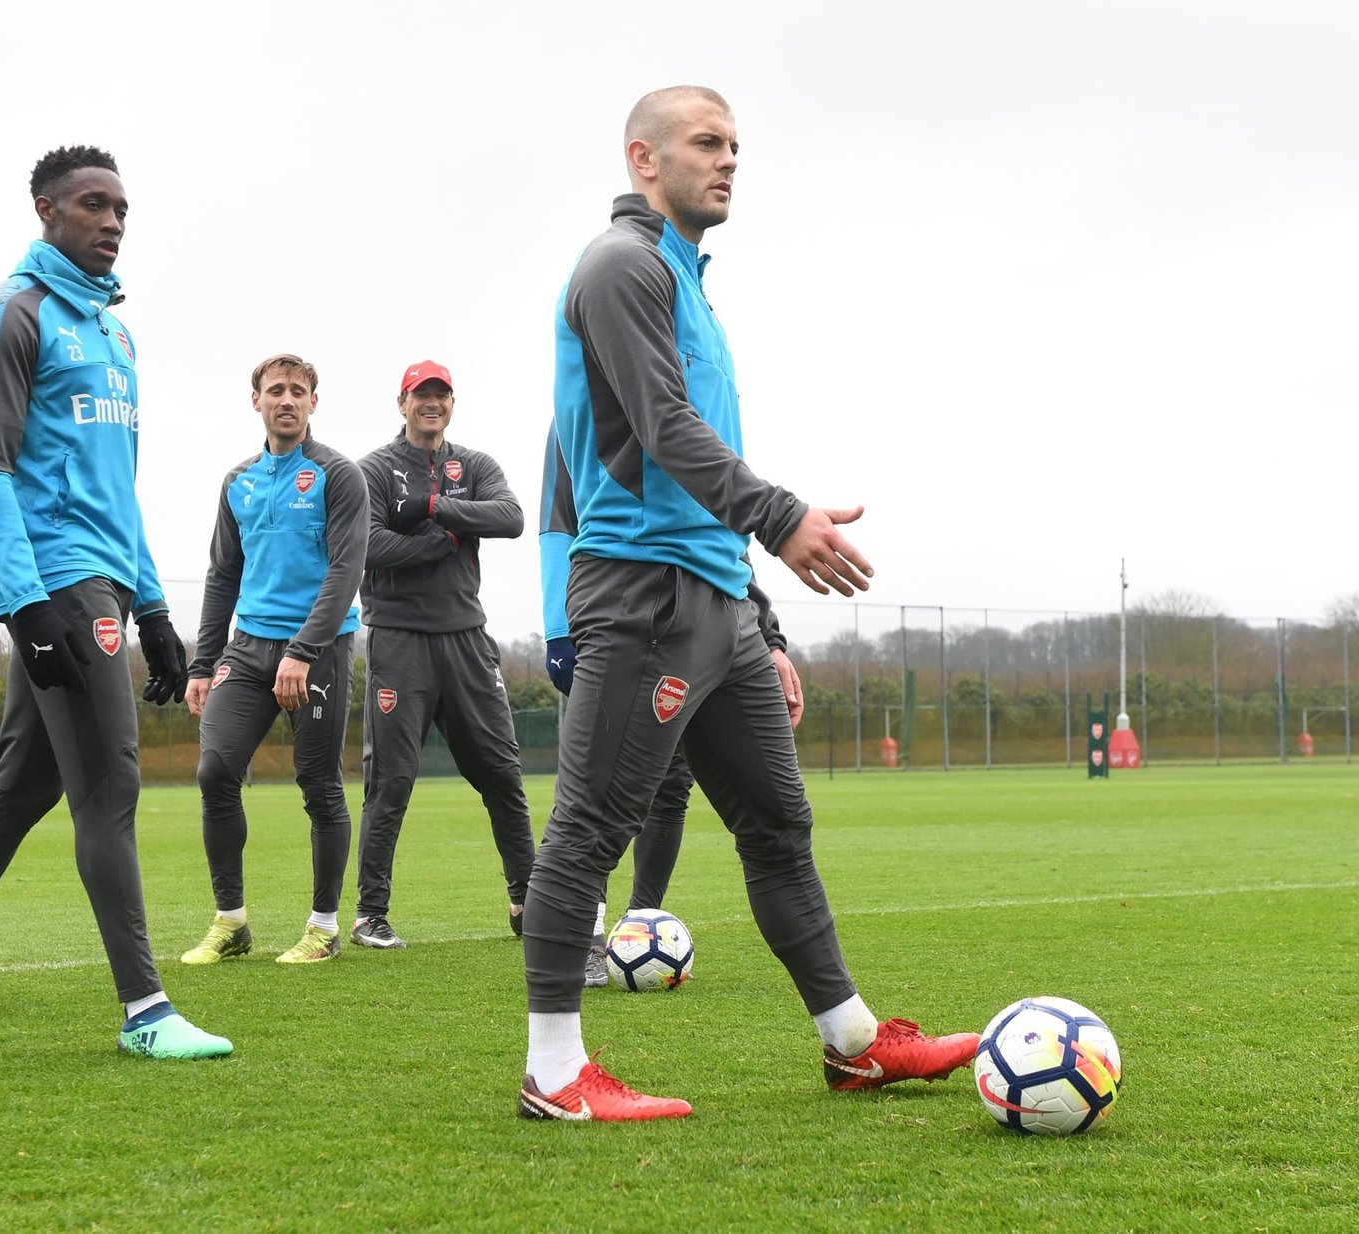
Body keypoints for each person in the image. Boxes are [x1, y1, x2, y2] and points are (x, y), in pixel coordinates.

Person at [518, 87, 978, 1121]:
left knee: (778, 826)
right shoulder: (621, 266)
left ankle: (852, 1044)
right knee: (589, 827)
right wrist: (779, 517)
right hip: (641, 594)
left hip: (715, 602)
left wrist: (756, 619)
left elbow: (696, 464)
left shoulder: (686, 280)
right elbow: (664, 426)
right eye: (706, 142)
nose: (729, 160)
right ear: (643, 158)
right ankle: (552, 1074)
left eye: (735, 145)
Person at [0, 145, 231, 1060]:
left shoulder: (117, 335)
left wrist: (155, 609)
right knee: (109, 787)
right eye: (93, 205)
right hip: (56, 582)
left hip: (105, 580)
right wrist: (24, 604)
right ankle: (146, 1012)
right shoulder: (8, 315)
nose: (112, 222)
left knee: (22, 789)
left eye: (122, 209)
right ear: (46, 211)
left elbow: (118, 487)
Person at [538, 425, 793, 988]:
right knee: (596, 796)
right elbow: (556, 519)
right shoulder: (582, 408)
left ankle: (639, 922)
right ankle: (586, 935)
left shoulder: (698, 412)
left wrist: (768, 635)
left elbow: (726, 535)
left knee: (673, 783)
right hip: (623, 610)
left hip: (707, 619)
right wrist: (558, 630)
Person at [179, 354, 366, 966]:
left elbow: (346, 570)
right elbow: (222, 575)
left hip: (320, 649)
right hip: (248, 647)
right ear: (255, 400)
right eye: (276, 390)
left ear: (314, 402)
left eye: (298, 391)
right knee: (215, 772)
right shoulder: (239, 481)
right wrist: (202, 664)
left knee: (318, 784)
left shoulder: (338, 475)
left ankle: (323, 928)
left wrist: (303, 651)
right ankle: (230, 922)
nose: (287, 399)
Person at [352, 361, 536, 949]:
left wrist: (434, 508)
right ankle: (370, 915)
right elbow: (366, 543)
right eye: (420, 395)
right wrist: (436, 545)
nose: (431, 403)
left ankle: (529, 901)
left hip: (467, 640)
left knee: (502, 773)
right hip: (398, 640)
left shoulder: (475, 465)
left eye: (441, 395)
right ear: (401, 402)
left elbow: (510, 518)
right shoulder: (373, 469)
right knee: (391, 781)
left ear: (452, 404)